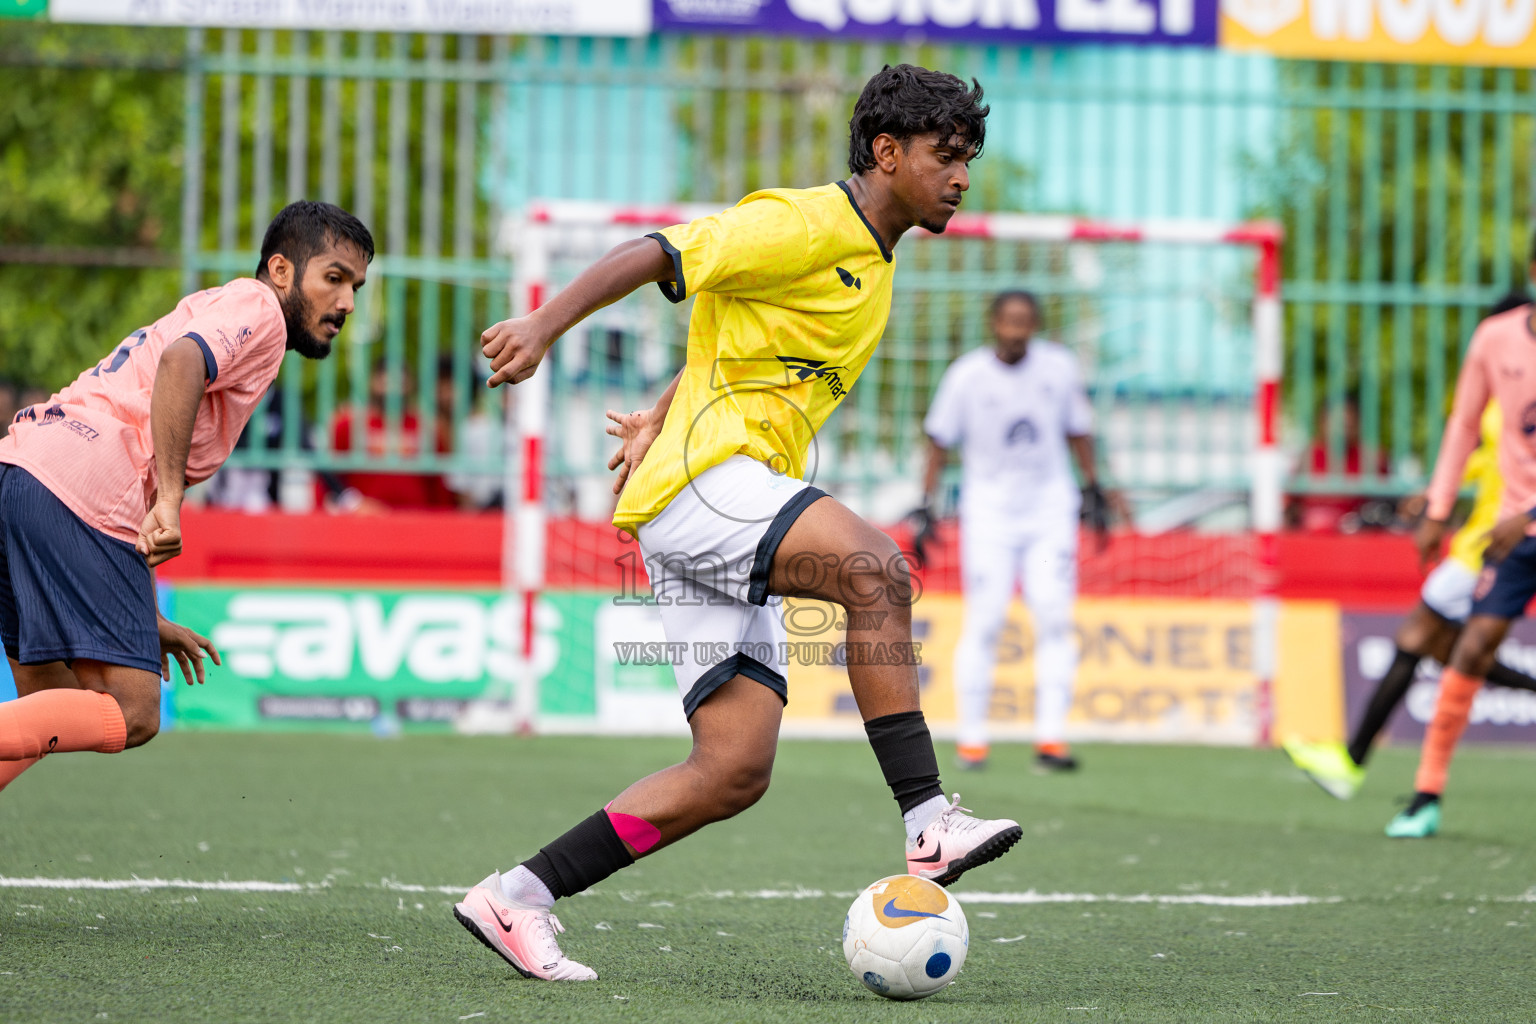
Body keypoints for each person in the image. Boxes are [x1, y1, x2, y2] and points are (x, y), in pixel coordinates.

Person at [454, 64, 1021, 982]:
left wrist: (661, 409)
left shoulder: (873, 262)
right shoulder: (806, 221)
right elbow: (660, 252)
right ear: (886, 152)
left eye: (969, 161)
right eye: (945, 156)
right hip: (708, 489)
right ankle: (929, 821)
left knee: (732, 770)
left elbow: (734, 337)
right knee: (877, 571)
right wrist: (545, 326)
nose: (962, 178)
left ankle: (516, 896)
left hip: (705, 499)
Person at [0, 200, 372, 793]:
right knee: (134, 712)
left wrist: (147, 615)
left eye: (356, 286)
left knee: (48, 699)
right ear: (281, 270)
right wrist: (172, 500)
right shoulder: (261, 310)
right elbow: (180, 365)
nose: (348, 301)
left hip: (23, 465)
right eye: (334, 277)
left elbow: (140, 468)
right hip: (80, 482)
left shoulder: (215, 306)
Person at [1284, 293, 1536, 801]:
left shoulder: (1508, 393)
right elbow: (1480, 452)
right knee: (1442, 645)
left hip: (1495, 538)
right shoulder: (1498, 388)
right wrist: (1436, 497)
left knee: (1428, 638)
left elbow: (1490, 453)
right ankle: (1362, 764)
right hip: (1484, 536)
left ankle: (1354, 761)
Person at [917, 291, 1124, 773]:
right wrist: (925, 503)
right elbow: (938, 441)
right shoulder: (967, 376)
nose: (1015, 330)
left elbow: (1078, 431)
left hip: (1049, 513)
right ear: (994, 323)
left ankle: (1050, 739)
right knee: (985, 620)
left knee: (1053, 617)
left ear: (1035, 326)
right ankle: (972, 741)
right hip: (989, 515)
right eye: (1008, 321)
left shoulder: (1059, 368)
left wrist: (1094, 486)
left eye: (1025, 321)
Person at [1386, 261, 1536, 838]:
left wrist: (1528, 515)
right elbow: (1463, 424)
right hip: (1513, 536)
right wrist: (1438, 509)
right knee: (1471, 650)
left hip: (1521, 523)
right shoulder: (1496, 338)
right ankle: (1426, 796)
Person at [330, 361, 456, 510]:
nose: (392, 388)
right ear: (372, 382)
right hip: (364, 518)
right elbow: (329, 476)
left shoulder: (428, 428)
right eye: (385, 381)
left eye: (399, 382)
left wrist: (444, 518)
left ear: (410, 385)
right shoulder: (348, 425)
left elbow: (439, 483)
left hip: (417, 517)